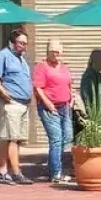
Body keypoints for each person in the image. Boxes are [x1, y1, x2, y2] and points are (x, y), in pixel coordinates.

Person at [0, 28, 34, 185]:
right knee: (11, 138)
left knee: (11, 139)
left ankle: (3, 171)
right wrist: (3, 94)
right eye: (21, 43)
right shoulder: (2, 56)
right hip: (10, 103)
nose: (24, 46)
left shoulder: (21, 59)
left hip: (23, 104)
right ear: (12, 42)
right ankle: (15, 173)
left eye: (25, 44)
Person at [32, 39, 73, 185]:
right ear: (47, 52)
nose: (56, 55)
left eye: (58, 52)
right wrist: (47, 103)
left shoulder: (64, 67)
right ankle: (56, 173)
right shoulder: (42, 67)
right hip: (49, 107)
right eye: (53, 52)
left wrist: (71, 98)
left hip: (65, 106)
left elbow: (69, 84)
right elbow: (37, 87)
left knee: (67, 137)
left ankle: (54, 168)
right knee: (56, 139)